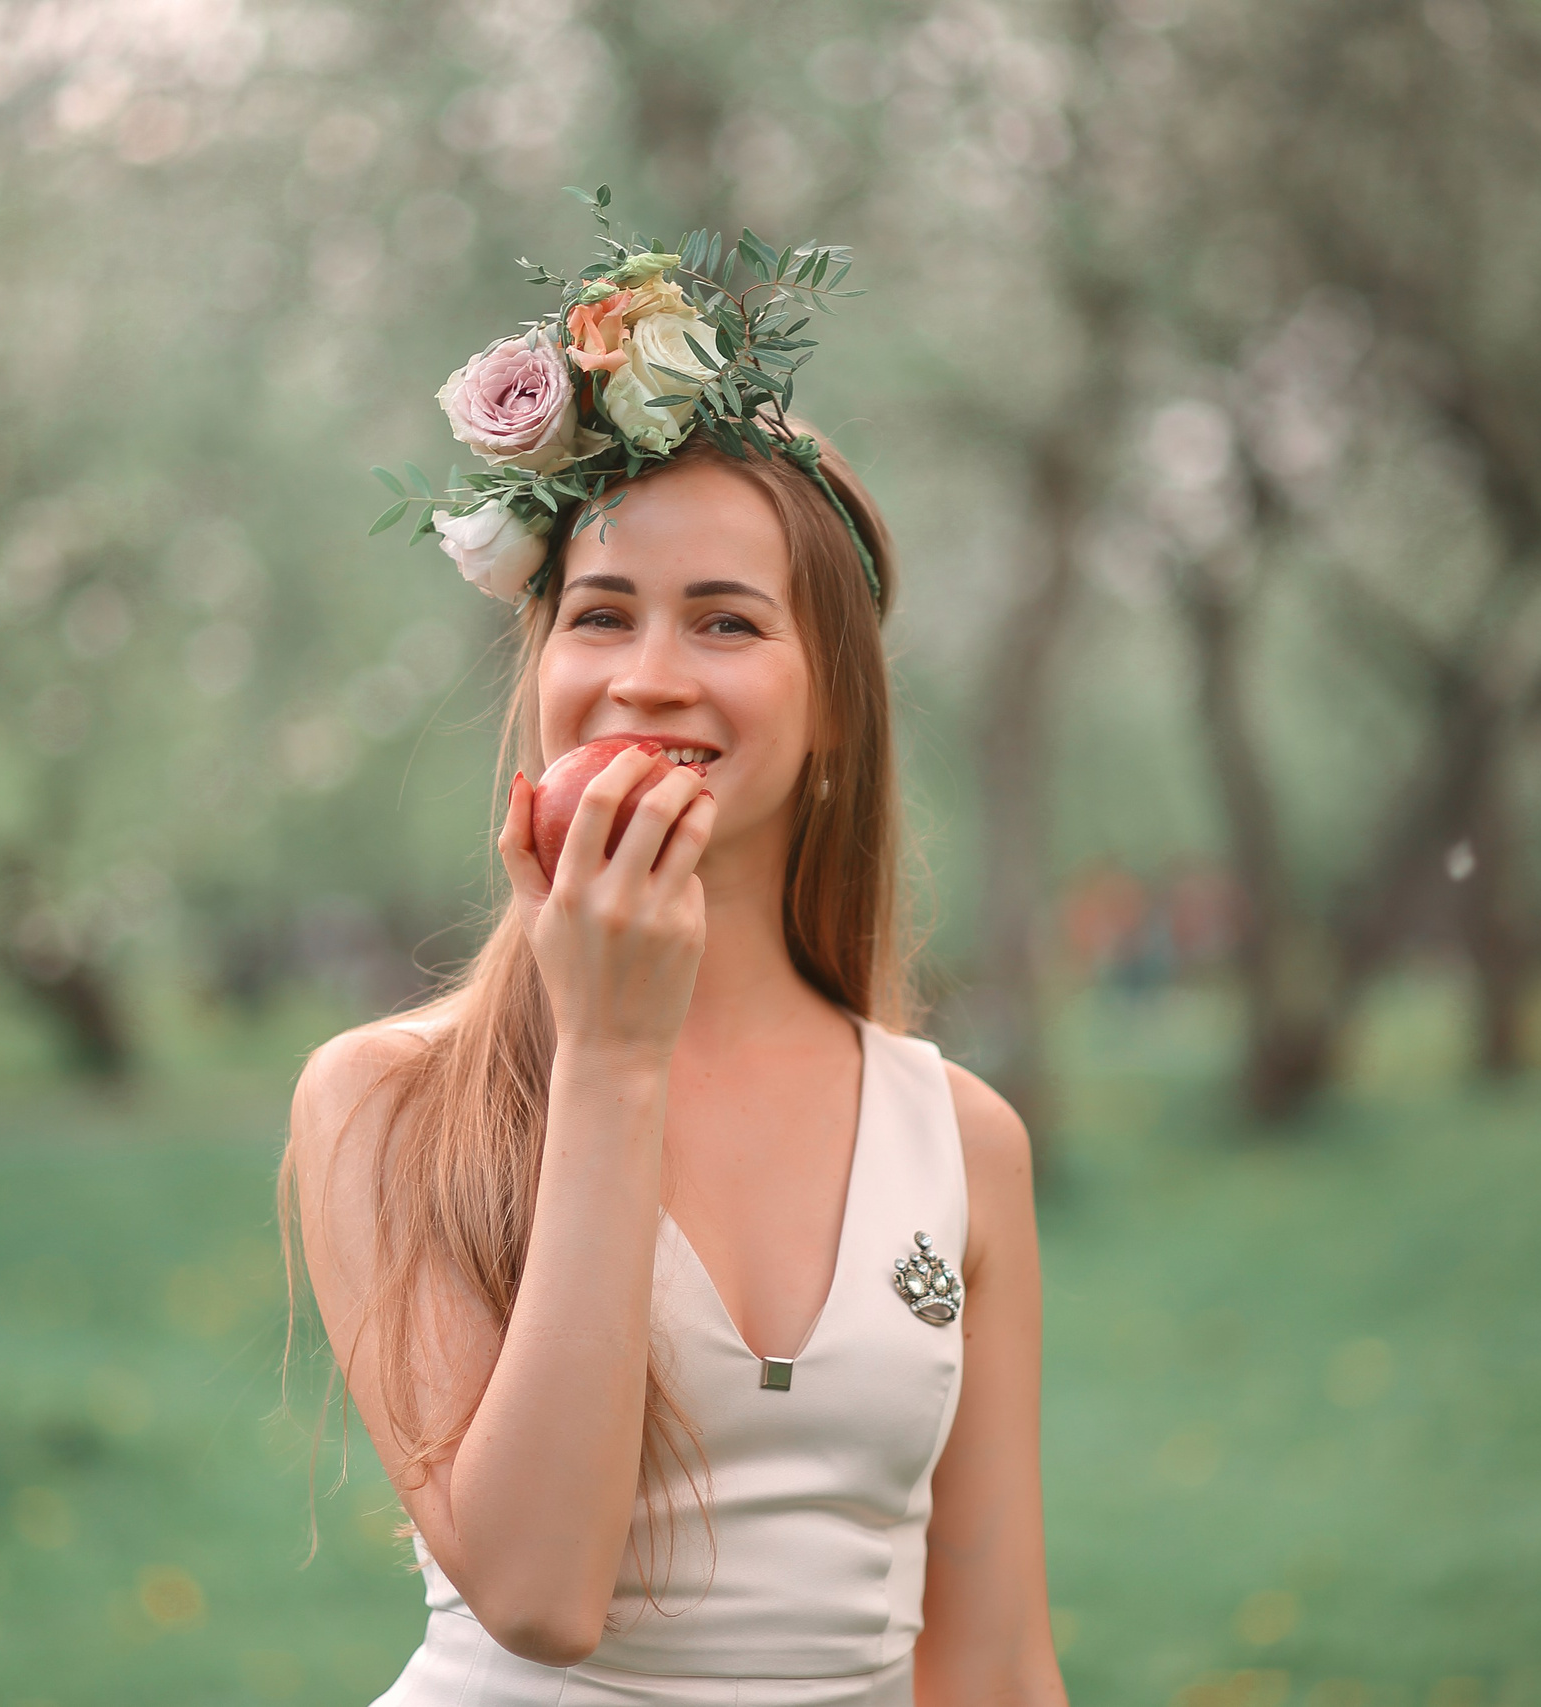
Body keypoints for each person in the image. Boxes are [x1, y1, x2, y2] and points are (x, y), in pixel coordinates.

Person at [283, 213, 1068, 1706]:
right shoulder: (387, 1101)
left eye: (726, 620)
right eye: (599, 615)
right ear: (541, 674)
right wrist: (613, 1053)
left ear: (832, 700)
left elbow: (998, 1663)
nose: (649, 675)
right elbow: (538, 1592)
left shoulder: (962, 1142)